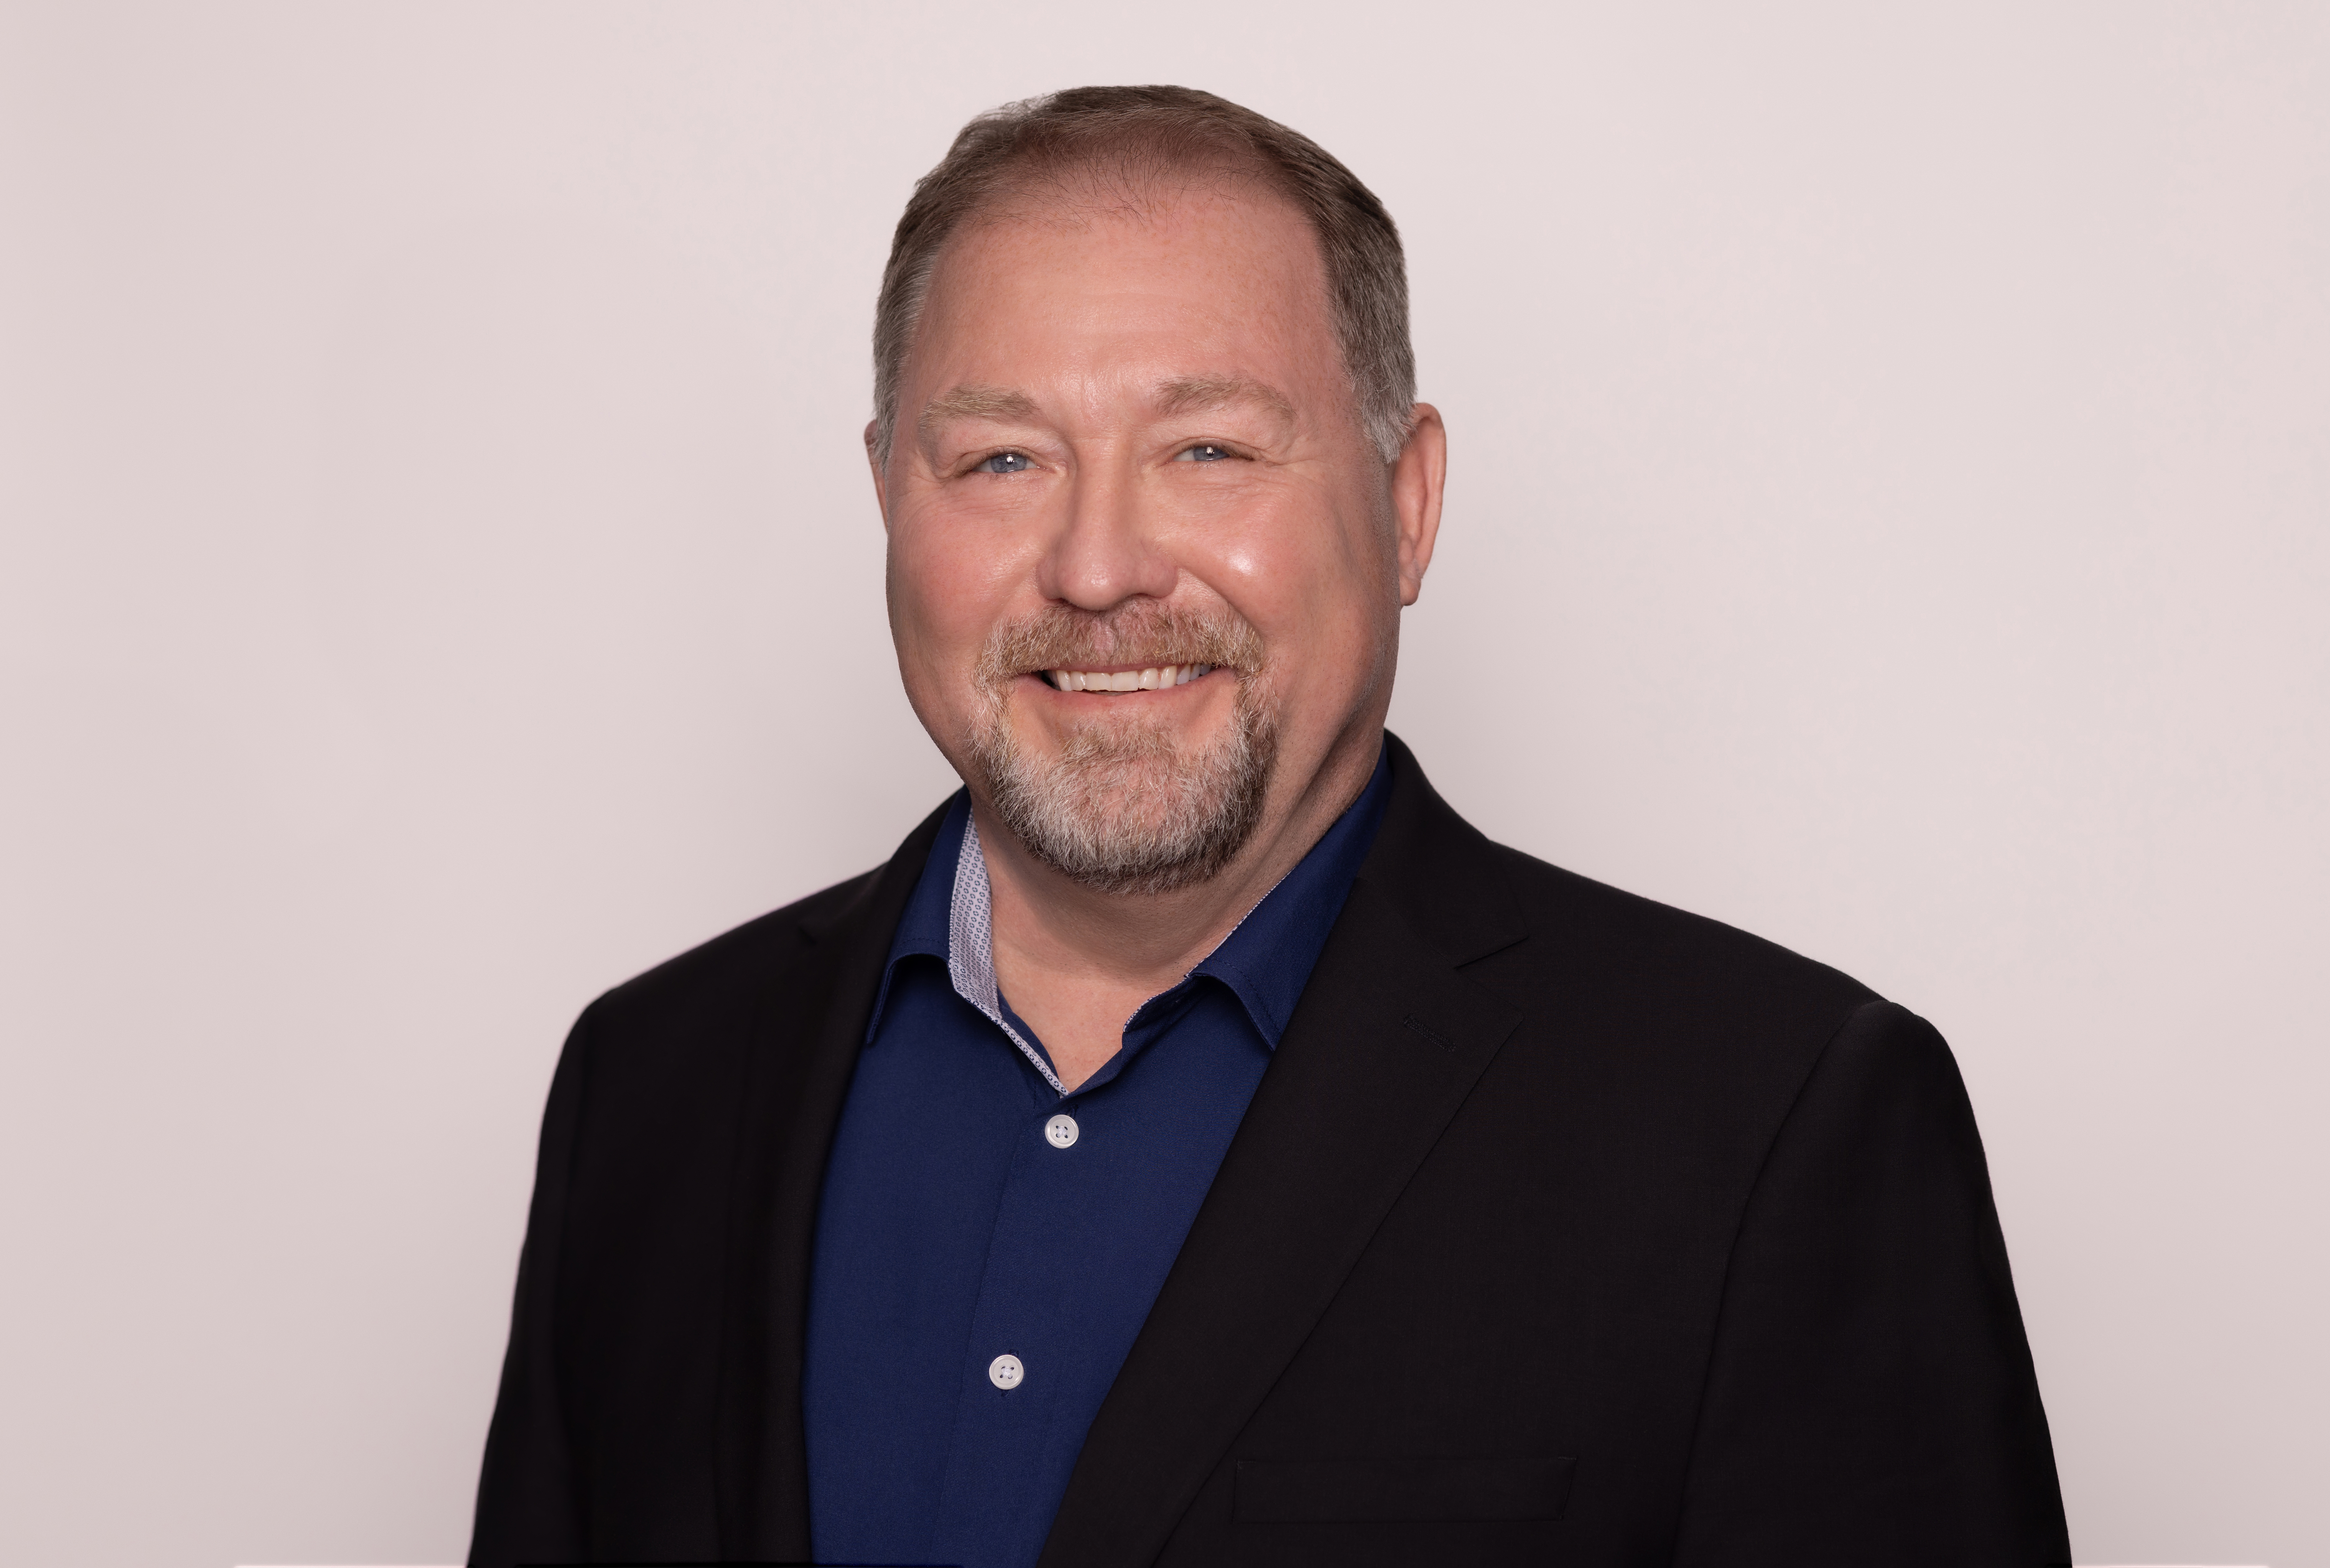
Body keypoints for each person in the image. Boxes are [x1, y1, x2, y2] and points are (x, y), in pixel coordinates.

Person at [468, 85, 2068, 1568]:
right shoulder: (651, 1086)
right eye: (1003, 457)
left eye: (1210, 449)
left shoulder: (1775, 1129)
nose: (1098, 569)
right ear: (892, 495)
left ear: (1408, 504)